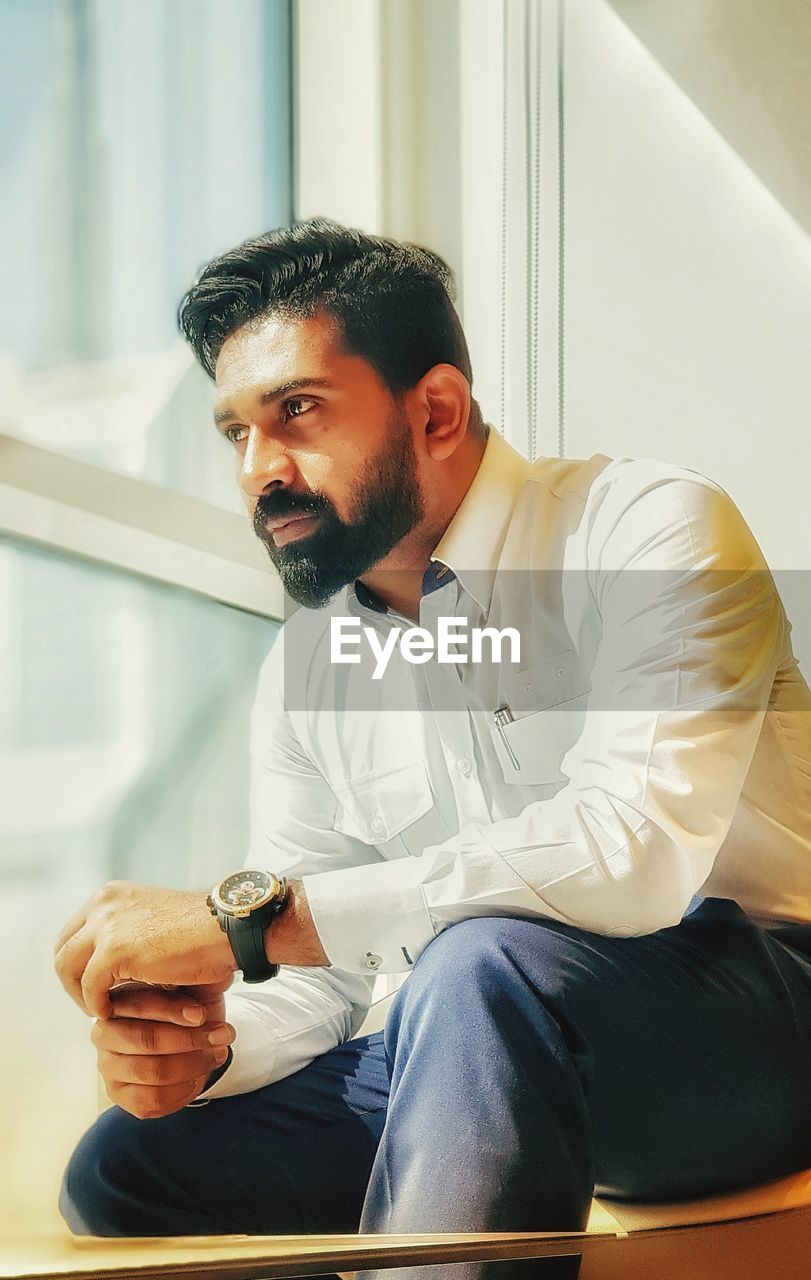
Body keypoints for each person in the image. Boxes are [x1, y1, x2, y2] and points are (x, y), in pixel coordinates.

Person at [56, 219, 811, 1279]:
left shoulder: (645, 530)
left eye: (298, 413)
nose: (259, 470)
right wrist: (209, 1041)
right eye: (236, 431)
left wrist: (254, 922)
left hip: (759, 1027)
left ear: (438, 409)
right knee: (131, 1162)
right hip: (479, 1037)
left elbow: (632, 852)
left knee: (482, 961)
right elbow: (314, 983)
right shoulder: (311, 667)